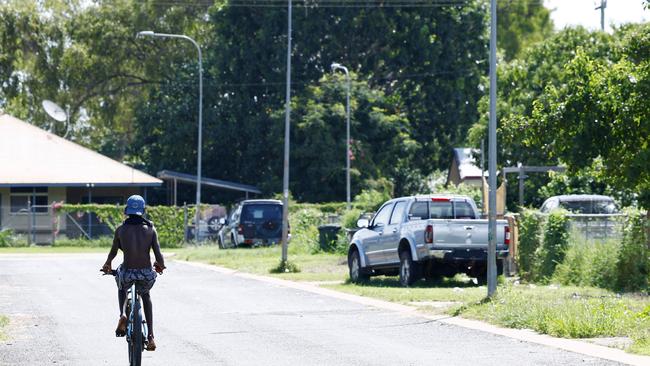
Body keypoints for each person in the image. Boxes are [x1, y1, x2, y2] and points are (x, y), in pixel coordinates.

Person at [101, 195, 165, 351]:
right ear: (143, 210)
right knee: (146, 296)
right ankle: (150, 336)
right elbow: (158, 255)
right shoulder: (150, 229)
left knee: (122, 286)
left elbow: (113, 253)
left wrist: (107, 265)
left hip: (128, 272)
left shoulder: (121, 230)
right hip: (145, 274)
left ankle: (122, 314)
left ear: (126, 211)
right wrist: (160, 266)